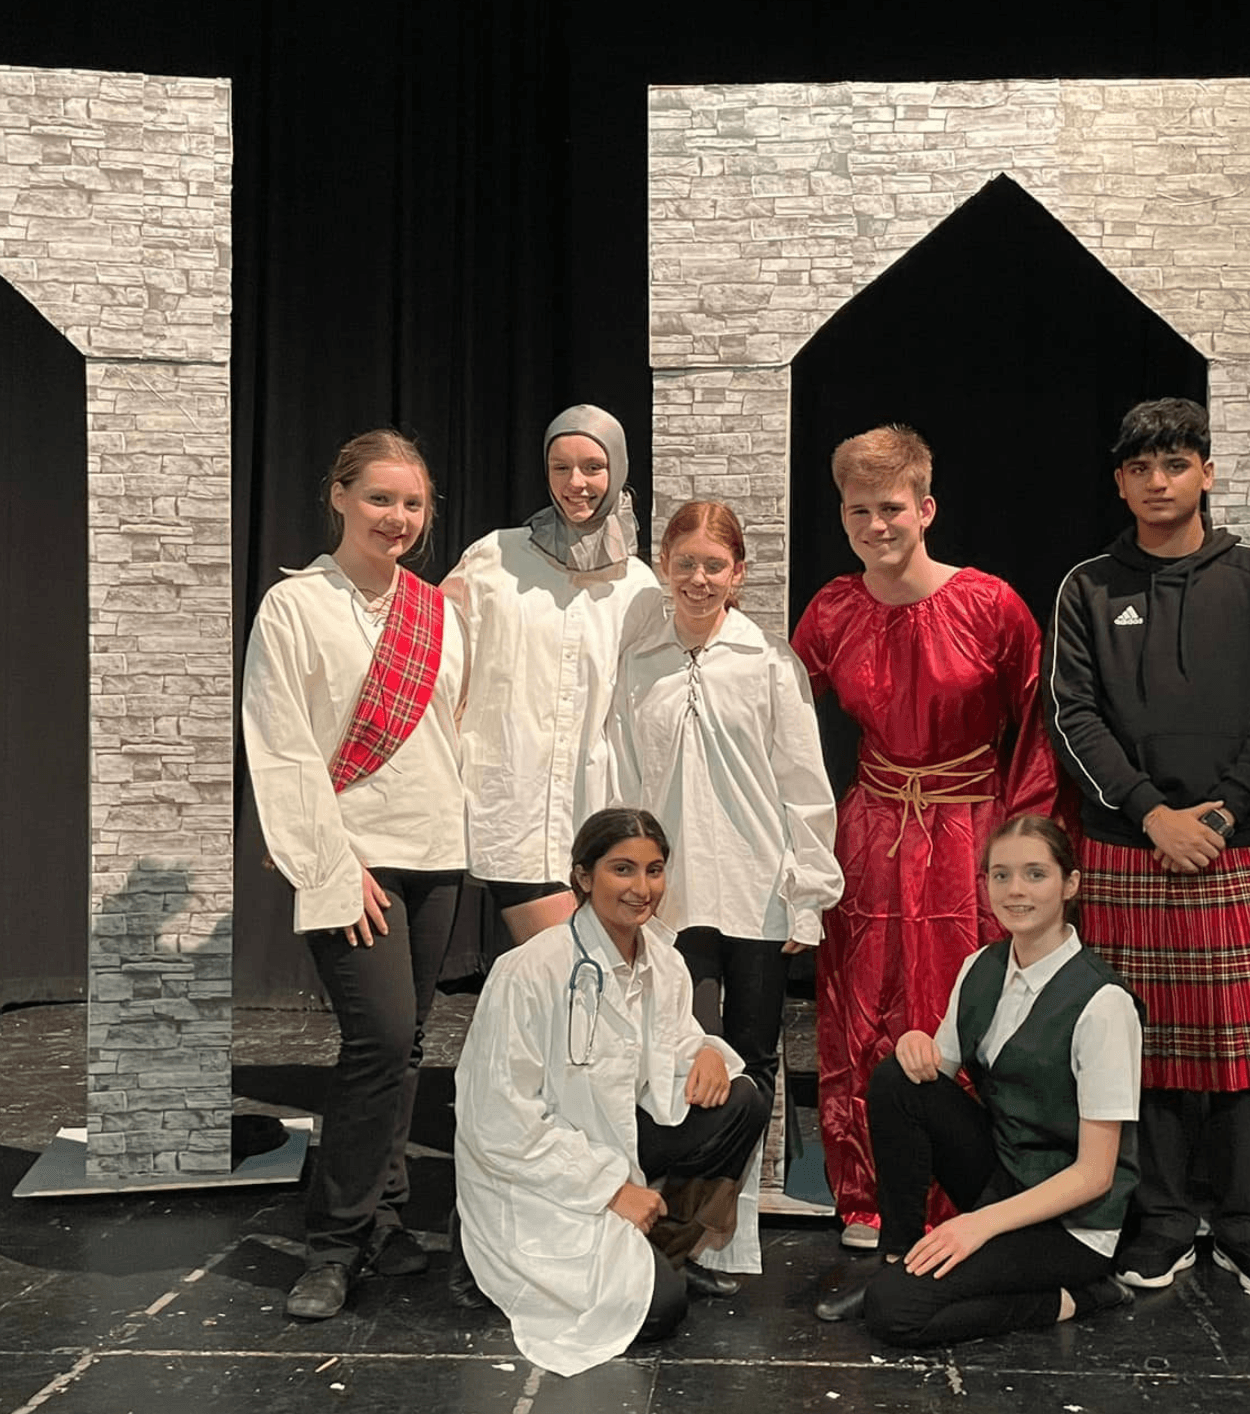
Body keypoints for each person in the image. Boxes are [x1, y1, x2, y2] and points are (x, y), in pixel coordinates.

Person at [1045, 397, 1250, 1299]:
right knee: (1141, 1046)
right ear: (1119, 481)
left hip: (1233, 845)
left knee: (1244, 1050)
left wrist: (1223, 814)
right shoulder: (1087, 585)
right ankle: (1159, 1222)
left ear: (1205, 471)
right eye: (1140, 469)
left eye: (1176, 465)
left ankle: (1244, 1227)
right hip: (1128, 844)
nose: (1158, 483)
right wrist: (1151, 812)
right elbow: (1072, 713)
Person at [790, 425, 1058, 1248]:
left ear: (926, 507)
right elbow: (781, 725)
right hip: (871, 833)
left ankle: (972, 1195)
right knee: (860, 1010)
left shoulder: (990, 605)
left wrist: (1023, 853)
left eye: (893, 508)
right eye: (859, 510)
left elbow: (1036, 729)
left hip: (968, 833)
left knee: (962, 1010)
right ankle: (869, 1192)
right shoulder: (833, 610)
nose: (877, 525)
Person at [241, 430, 468, 1320]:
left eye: (412, 504)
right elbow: (283, 746)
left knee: (408, 1044)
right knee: (376, 1041)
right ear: (338, 496)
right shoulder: (294, 607)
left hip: (436, 850)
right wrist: (330, 865)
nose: (398, 518)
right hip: (354, 855)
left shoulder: (439, 611)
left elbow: (461, 731)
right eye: (380, 499)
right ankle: (333, 1244)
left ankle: (388, 1218)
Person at [451, 808, 769, 1376]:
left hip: (615, 1140)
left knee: (743, 1098)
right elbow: (497, 1121)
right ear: (583, 876)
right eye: (623, 869)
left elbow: (675, 1045)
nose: (642, 888)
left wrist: (708, 1052)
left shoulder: (663, 963)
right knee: (658, 1310)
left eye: (654, 870)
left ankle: (665, 1246)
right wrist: (608, 1189)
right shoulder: (529, 971)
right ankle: (486, 1257)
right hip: (539, 1174)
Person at [815, 816, 1140, 1345]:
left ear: (1071, 884)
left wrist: (977, 1224)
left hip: (1072, 1223)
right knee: (897, 1080)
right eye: (1001, 875)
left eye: (1036, 874)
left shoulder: (1103, 1004)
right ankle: (894, 1260)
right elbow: (928, 1083)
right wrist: (911, 1046)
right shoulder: (980, 967)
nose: (1015, 890)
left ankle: (1079, 1296)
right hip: (1003, 1175)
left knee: (896, 1313)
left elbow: (1095, 1175)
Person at [610, 500, 843, 1110]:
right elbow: (626, 784)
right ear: (663, 566)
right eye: (685, 563)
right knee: (684, 1052)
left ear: (738, 573)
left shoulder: (768, 663)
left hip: (756, 891)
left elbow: (805, 786)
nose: (699, 579)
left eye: (714, 565)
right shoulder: (637, 665)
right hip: (672, 899)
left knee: (755, 1055)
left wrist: (808, 894)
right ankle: (690, 1204)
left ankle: (733, 1207)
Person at [442, 404, 662, 944]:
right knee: (561, 964)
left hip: (597, 808)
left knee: (577, 983)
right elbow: (444, 666)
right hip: (510, 799)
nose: (576, 483)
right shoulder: (496, 556)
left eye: (592, 466)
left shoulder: (638, 585)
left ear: (618, 470)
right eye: (560, 467)